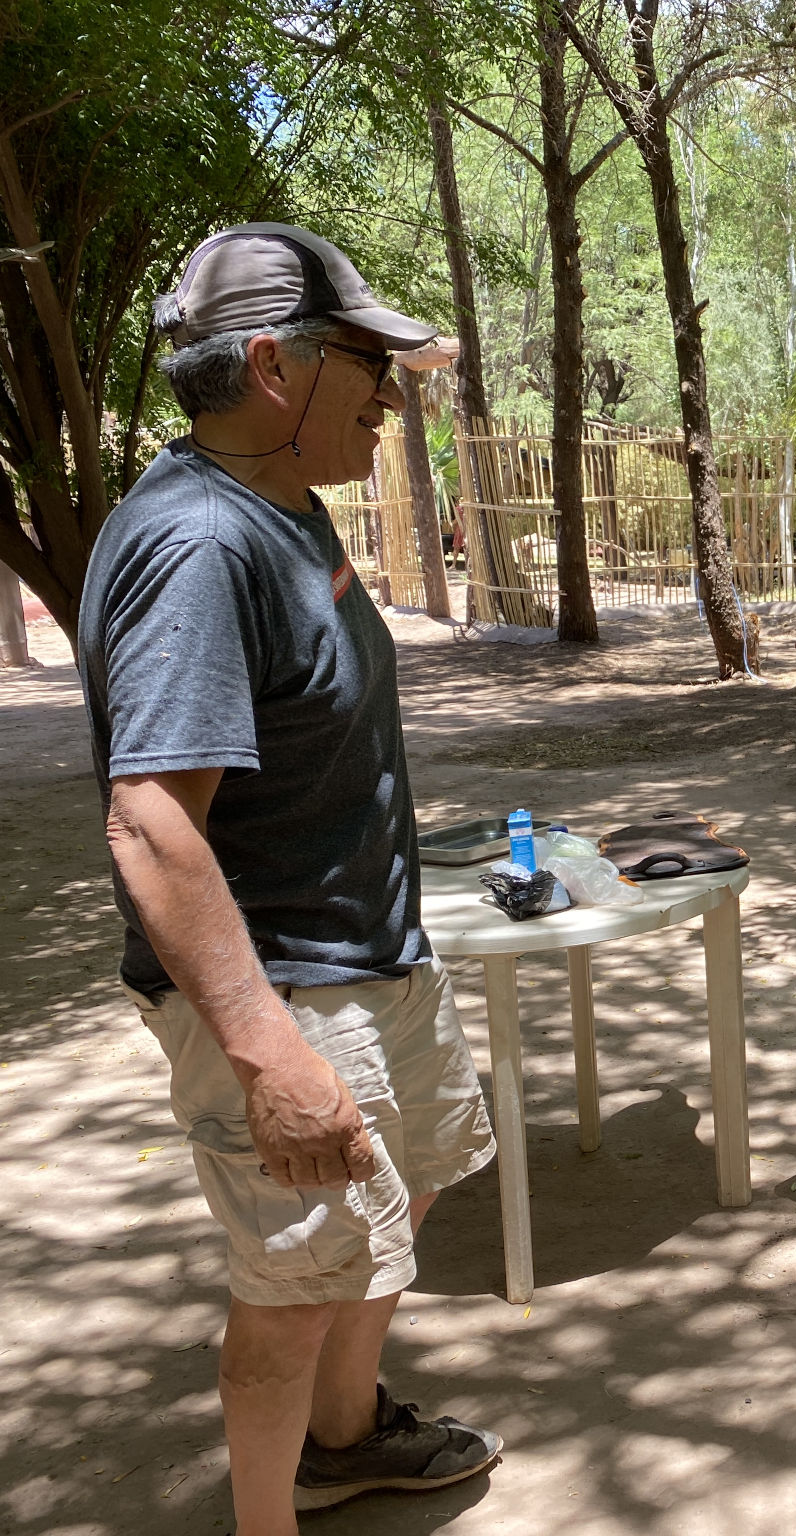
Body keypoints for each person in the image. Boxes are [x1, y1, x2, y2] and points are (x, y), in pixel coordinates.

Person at [77, 224, 502, 1535]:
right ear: (271, 367)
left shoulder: (290, 508)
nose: (392, 394)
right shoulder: (197, 546)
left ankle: (346, 1436)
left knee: (390, 1210)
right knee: (293, 1282)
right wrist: (265, 1052)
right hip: (290, 995)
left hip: (371, 960)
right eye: (368, 367)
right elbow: (150, 820)